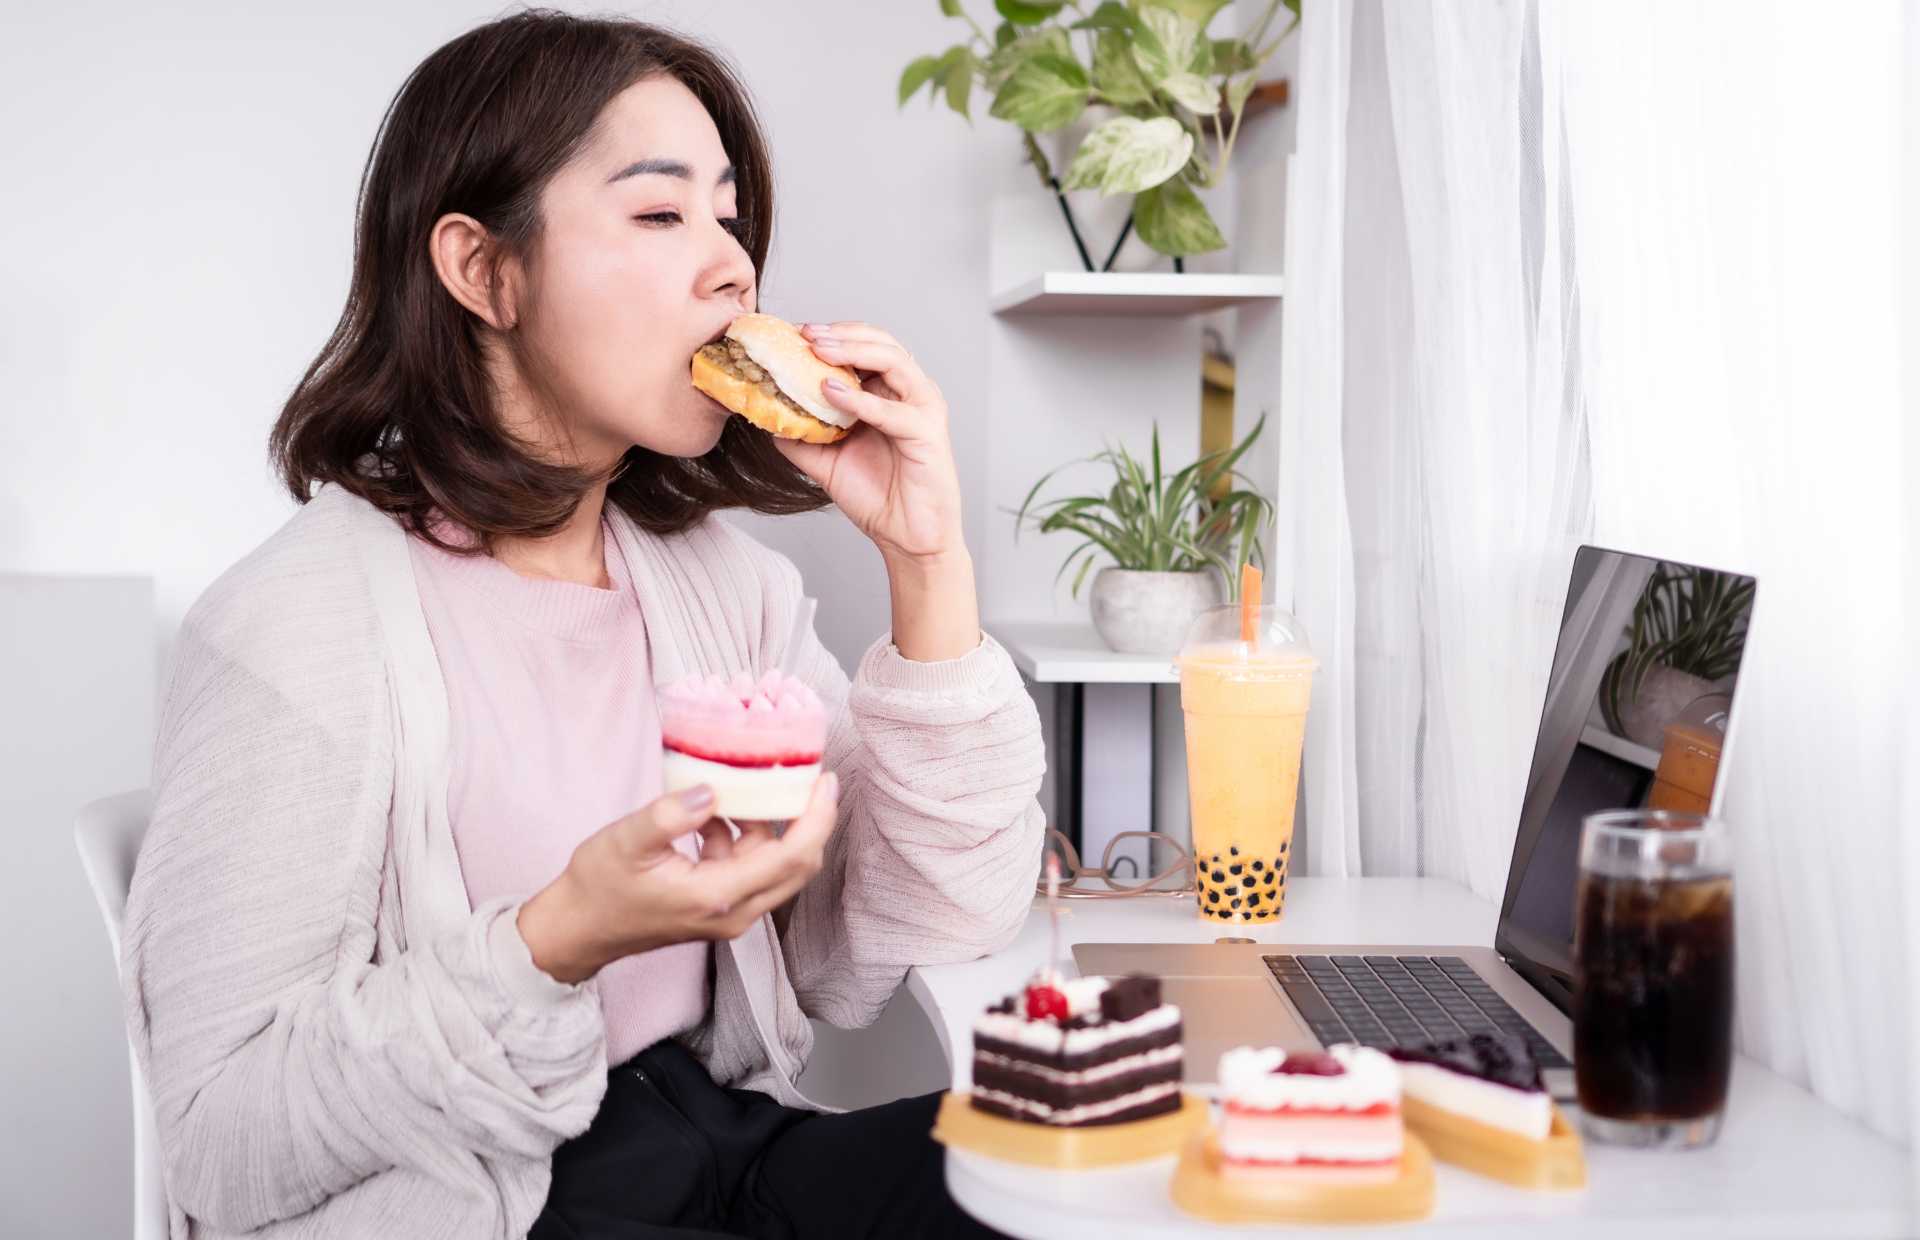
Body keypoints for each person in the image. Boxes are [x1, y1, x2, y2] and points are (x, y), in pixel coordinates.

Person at [120, 11, 1044, 1238]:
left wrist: (926, 561)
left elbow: (889, 938)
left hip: (730, 1145)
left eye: (728, 216)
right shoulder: (293, 632)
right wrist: (556, 941)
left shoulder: (727, 591)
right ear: (482, 270)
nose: (732, 268)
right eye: (662, 215)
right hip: (494, 1203)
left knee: (1081, 1175)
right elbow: (223, 1139)